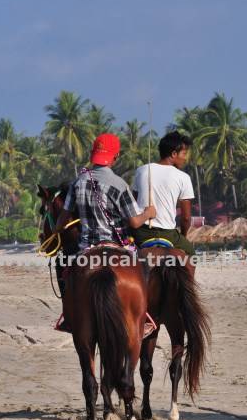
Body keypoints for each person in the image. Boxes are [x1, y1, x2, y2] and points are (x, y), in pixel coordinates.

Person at [52, 133, 156, 332]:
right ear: (115, 157)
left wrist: (57, 228)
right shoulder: (119, 184)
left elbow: (61, 221)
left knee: (64, 268)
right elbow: (134, 222)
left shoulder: (78, 182)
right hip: (118, 246)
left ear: (94, 155)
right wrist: (148, 213)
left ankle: (68, 315)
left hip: (85, 248)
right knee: (143, 269)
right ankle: (144, 318)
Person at [130, 131, 196, 255]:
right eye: (184, 153)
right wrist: (183, 236)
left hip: (140, 232)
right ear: (174, 154)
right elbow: (186, 218)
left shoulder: (141, 170)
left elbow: (133, 204)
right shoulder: (183, 177)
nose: (185, 158)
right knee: (191, 254)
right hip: (168, 234)